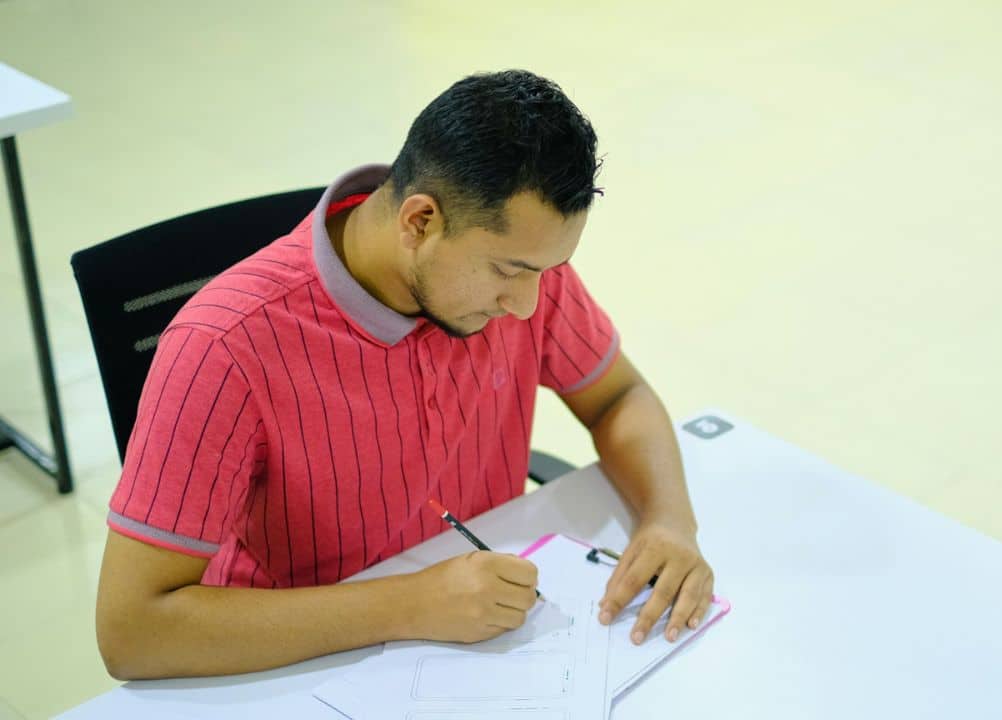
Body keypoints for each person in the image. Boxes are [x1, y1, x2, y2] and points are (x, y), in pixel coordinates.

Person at [95, 69, 713, 680]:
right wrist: (409, 605)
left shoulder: (525, 272)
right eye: (507, 271)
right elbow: (132, 631)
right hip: (294, 666)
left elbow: (618, 396)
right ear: (419, 222)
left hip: (482, 639)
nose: (525, 305)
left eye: (545, 271)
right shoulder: (223, 347)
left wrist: (668, 520)